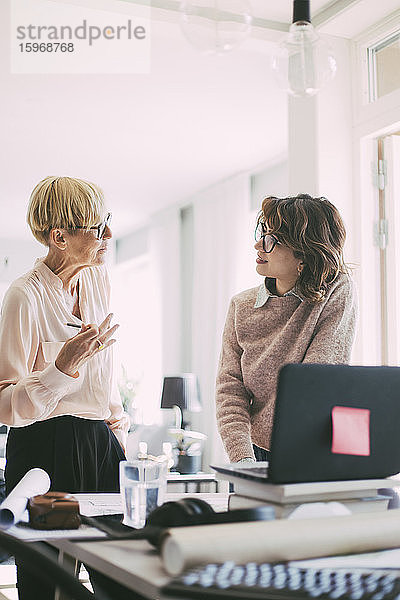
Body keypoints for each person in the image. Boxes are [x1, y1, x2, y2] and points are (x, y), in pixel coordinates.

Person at [0, 176, 130, 599]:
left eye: (106, 221)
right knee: (46, 585)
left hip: (99, 441)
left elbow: (106, 374)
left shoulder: (98, 280)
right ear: (59, 237)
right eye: (97, 227)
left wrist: (117, 433)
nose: (108, 234)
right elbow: (5, 404)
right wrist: (60, 368)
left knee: (122, 574)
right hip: (43, 446)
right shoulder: (24, 295)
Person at [216, 194, 358, 464]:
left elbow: (316, 380)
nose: (258, 244)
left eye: (272, 239)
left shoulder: (337, 292)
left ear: (303, 253)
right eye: (262, 233)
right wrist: (243, 460)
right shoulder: (241, 306)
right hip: (254, 453)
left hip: (311, 450)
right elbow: (230, 389)